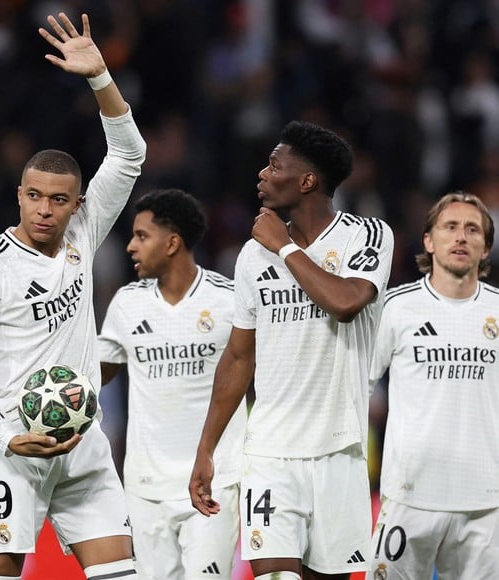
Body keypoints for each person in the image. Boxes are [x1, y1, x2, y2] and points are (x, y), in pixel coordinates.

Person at [0, 12, 146, 580]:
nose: (44, 209)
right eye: (33, 195)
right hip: (13, 451)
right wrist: (10, 434)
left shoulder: (85, 232)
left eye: (58, 200)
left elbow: (129, 155)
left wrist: (100, 77)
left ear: (77, 203)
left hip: (83, 446)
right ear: (19, 194)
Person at [189, 120, 394, 580]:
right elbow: (239, 357)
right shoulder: (250, 256)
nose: (262, 173)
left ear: (307, 180)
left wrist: (283, 249)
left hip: (339, 449)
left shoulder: (368, 236)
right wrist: (206, 449)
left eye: (274, 165)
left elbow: (345, 302)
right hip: (269, 453)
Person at [98, 188, 246, 579]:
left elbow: (257, 376)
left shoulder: (229, 301)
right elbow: (98, 372)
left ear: (172, 242)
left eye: (142, 236)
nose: (130, 246)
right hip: (146, 486)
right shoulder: (127, 304)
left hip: (216, 478)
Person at [367, 192, 499, 579]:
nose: (461, 237)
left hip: (485, 502)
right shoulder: (396, 307)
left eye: (473, 229)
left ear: (486, 247)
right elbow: (358, 387)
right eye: (450, 227)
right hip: (409, 497)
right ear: (429, 240)